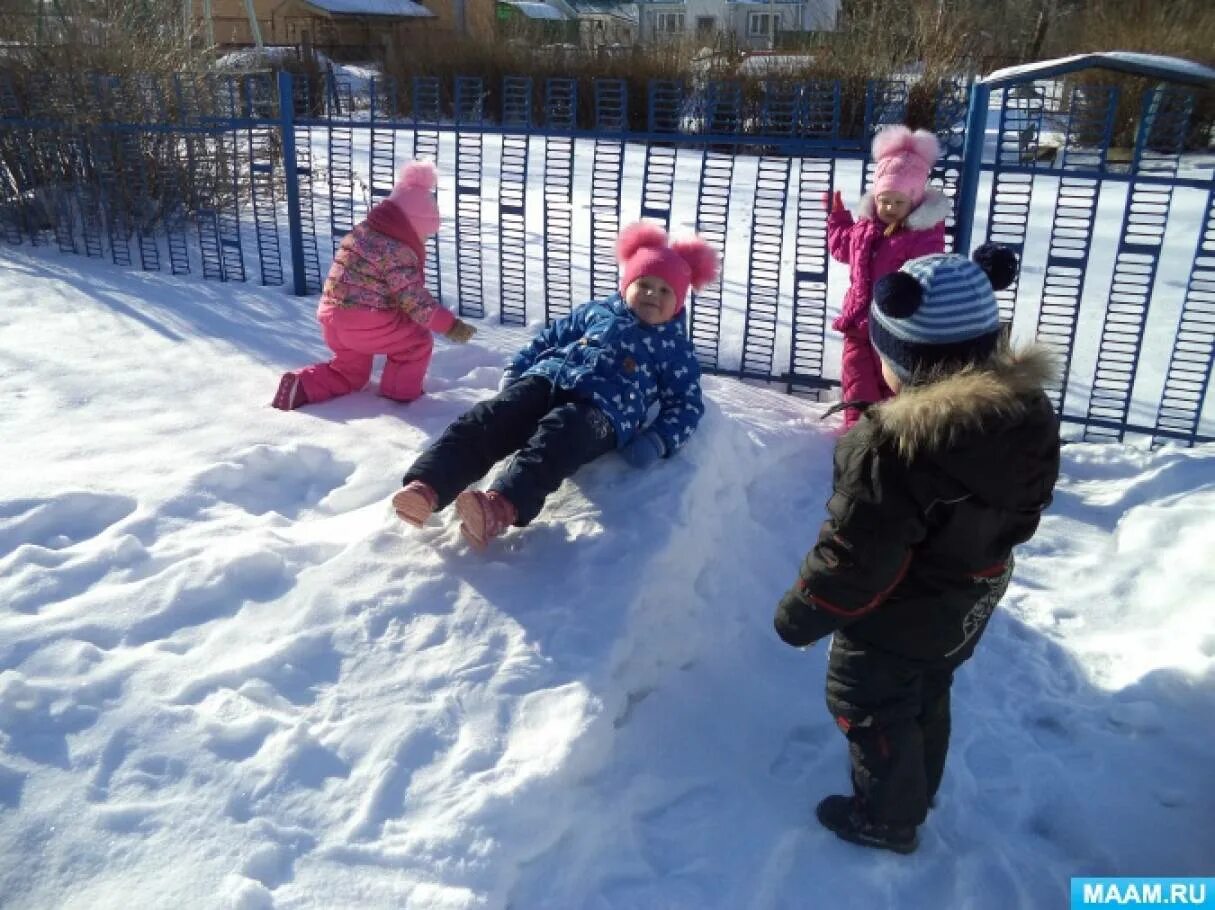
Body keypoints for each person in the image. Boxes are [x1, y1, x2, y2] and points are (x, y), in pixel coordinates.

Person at [773, 244, 1061, 854]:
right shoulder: (1026, 412)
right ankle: (918, 784)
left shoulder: (896, 449)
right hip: (969, 596)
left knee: (868, 701)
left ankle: (887, 817)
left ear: (906, 360)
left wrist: (802, 613)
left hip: (900, 614)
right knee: (927, 686)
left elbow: (857, 554)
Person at [390, 222, 717, 549]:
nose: (651, 294)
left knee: (558, 439)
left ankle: (500, 506)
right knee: (490, 418)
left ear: (678, 302)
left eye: (664, 291)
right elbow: (550, 338)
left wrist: (658, 439)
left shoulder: (675, 350)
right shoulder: (596, 312)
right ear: (626, 284)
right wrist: (519, 367)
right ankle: (427, 487)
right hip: (548, 378)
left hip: (602, 412)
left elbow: (686, 405)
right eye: (644, 283)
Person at [272, 160, 476, 410]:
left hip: (331, 319)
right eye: (424, 234)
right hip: (366, 322)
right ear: (412, 225)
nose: (424, 240)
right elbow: (414, 301)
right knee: (416, 342)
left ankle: (301, 386)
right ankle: (399, 397)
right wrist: (450, 325)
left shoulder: (363, 233)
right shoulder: (397, 249)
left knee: (350, 373)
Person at [827, 125, 950, 428]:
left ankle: (889, 431)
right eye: (885, 201)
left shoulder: (922, 235)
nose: (890, 208)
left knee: (890, 382)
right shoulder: (865, 228)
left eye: (898, 203)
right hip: (858, 320)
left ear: (915, 201)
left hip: (895, 325)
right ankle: (857, 431)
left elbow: (927, 272)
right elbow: (843, 249)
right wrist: (838, 220)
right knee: (856, 376)